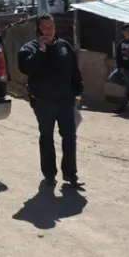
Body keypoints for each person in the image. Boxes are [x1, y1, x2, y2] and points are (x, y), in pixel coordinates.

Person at [18, 14, 84, 189]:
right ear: (38, 29)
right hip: (43, 103)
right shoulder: (29, 48)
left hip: (65, 102)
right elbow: (26, 68)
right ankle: (49, 175)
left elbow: (75, 73)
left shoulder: (64, 47)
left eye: (51, 26)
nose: (49, 30)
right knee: (47, 138)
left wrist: (78, 93)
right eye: (45, 27)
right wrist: (41, 51)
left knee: (70, 137)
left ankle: (70, 174)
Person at [108, 24, 129, 110]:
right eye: (126, 31)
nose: (128, 32)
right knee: (112, 78)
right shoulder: (121, 43)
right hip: (122, 67)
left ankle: (123, 105)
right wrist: (120, 67)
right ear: (123, 32)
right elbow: (118, 57)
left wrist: (127, 67)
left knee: (128, 84)